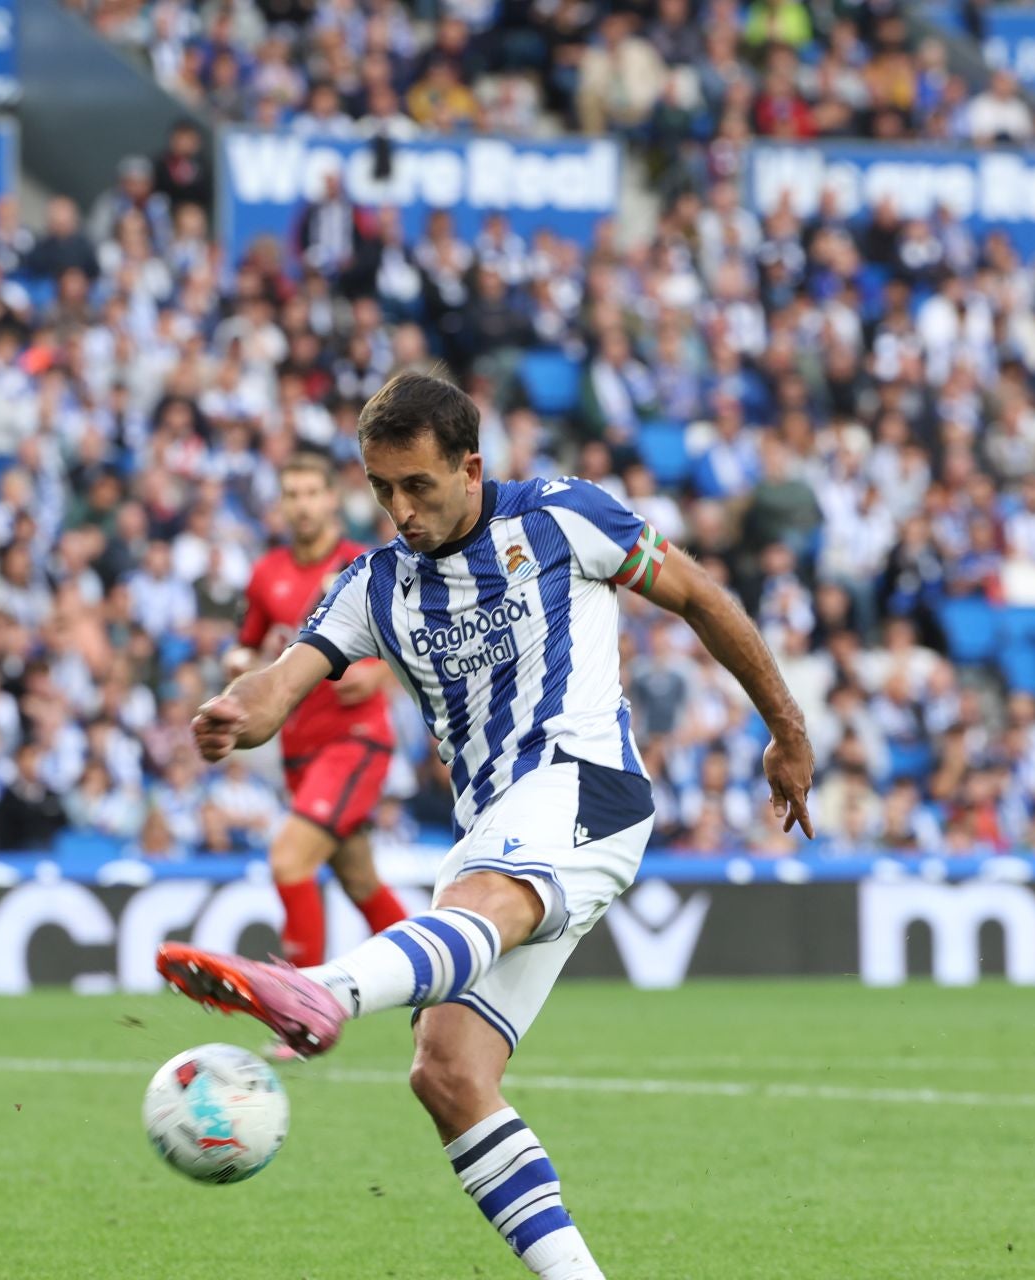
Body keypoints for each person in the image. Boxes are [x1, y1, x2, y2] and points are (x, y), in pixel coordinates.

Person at [159, 371, 815, 1280]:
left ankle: (328, 991)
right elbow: (283, 681)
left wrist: (788, 732)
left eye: (417, 485)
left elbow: (699, 595)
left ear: (469, 467)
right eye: (382, 489)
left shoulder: (561, 518)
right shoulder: (375, 583)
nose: (400, 509)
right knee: (448, 1074)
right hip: (495, 826)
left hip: (585, 787)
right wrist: (236, 709)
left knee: (482, 902)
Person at [228, 453, 409, 973]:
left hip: (355, 739)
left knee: (288, 860)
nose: (303, 505)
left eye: (312, 492)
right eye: (293, 494)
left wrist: (377, 674)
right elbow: (249, 648)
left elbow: (418, 636)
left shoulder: (365, 563)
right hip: (298, 748)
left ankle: (298, 1013)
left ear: (332, 498)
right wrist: (238, 663)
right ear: (281, 504)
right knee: (360, 882)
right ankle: (447, 989)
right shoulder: (267, 574)